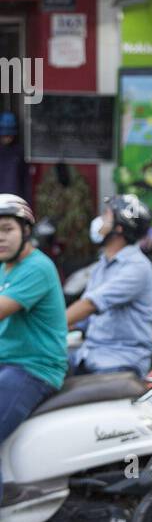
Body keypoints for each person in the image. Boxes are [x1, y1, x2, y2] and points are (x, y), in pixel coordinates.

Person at [0, 195, 67, 501]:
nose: (0, 238)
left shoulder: (36, 268)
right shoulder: (5, 268)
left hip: (32, 369)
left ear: (26, 231)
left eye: (7, 229)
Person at [66, 195, 152, 377]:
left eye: (106, 215)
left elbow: (90, 304)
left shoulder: (136, 267)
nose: (99, 221)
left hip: (120, 361)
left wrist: (52, 325)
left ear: (119, 228)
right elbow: (86, 318)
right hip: (91, 353)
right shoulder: (104, 263)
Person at [0, 111, 29, 202]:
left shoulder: (19, 152)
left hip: (15, 200)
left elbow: (25, 181)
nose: (7, 137)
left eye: (9, 135)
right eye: (4, 135)